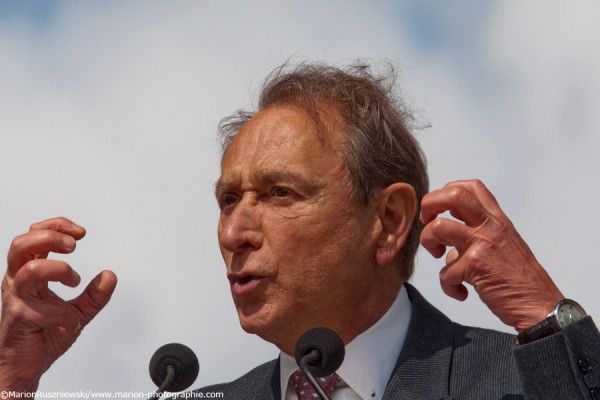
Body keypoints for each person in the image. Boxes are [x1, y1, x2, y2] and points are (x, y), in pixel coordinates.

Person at [1, 62, 598, 399]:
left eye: (280, 194)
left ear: (388, 222)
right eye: (228, 200)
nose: (234, 231)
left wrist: (549, 318)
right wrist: (14, 380)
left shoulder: (522, 379)